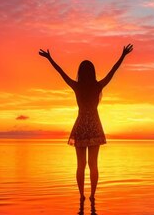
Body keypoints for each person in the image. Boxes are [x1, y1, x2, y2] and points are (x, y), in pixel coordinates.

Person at [39, 44, 133, 202]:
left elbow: (61, 72)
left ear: (80, 73)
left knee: (81, 164)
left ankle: (82, 195)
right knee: (93, 164)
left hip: (82, 125)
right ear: (93, 72)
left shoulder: (77, 86)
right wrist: (123, 55)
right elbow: (113, 71)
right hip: (94, 126)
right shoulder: (97, 86)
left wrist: (50, 59)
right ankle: (92, 195)